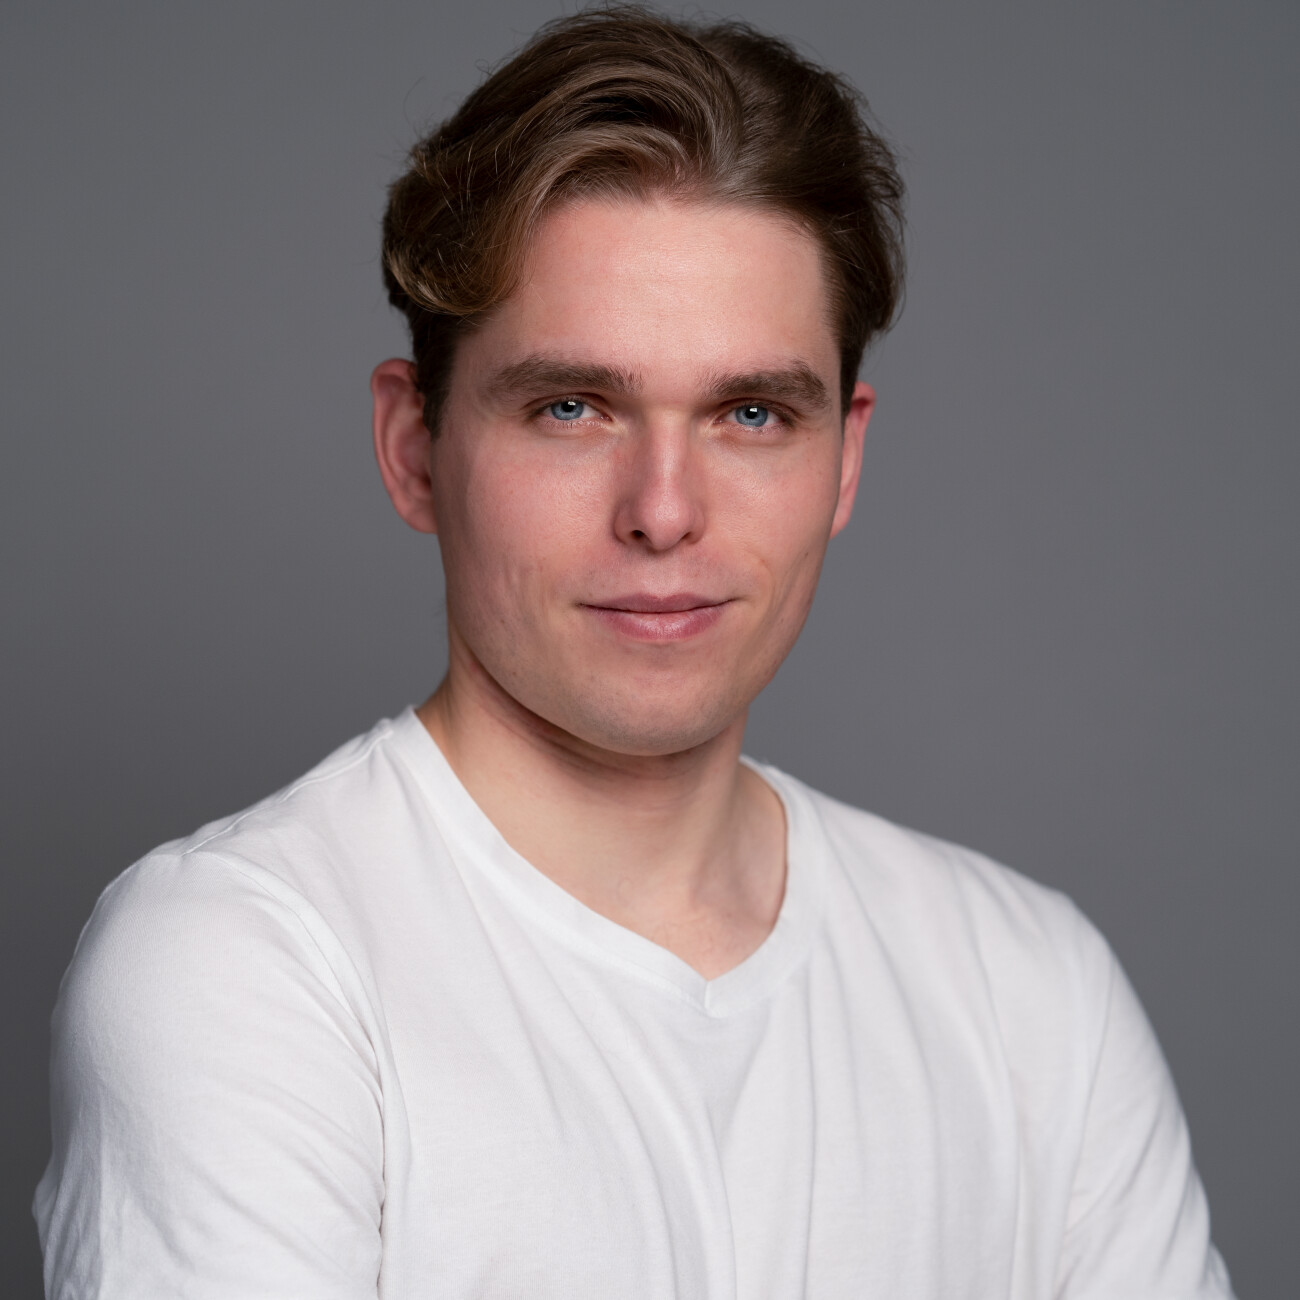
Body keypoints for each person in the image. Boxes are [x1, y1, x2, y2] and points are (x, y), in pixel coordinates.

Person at [34, 8, 1234, 1298]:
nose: (664, 511)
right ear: (413, 447)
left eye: (751, 413)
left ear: (845, 460)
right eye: (572, 407)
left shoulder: (1033, 994)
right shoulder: (249, 965)